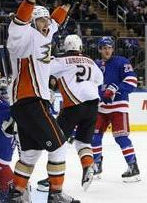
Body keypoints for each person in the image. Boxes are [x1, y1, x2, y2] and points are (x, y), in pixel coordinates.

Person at [7, 0, 81, 203]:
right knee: (59, 147)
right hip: (30, 100)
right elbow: (20, 18)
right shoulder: (21, 35)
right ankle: (55, 195)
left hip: (28, 103)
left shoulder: (46, 32)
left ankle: (16, 194)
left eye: (46, 19)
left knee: (30, 154)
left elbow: (57, 21)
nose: (46, 23)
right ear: (32, 22)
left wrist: (67, 5)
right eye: (40, 19)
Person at [37, 34, 103, 192]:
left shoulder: (60, 60)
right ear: (80, 47)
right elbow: (99, 80)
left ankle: (52, 179)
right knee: (83, 142)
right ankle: (88, 165)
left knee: (57, 142)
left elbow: (41, 69)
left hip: (73, 105)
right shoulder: (91, 61)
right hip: (93, 105)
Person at [91, 36, 141, 182]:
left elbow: (132, 81)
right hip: (101, 107)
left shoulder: (122, 62)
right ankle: (97, 166)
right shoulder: (96, 65)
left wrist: (115, 89)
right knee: (94, 137)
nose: (107, 50)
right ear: (99, 49)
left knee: (121, 137)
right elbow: (92, 84)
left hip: (119, 106)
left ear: (113, 48)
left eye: (109, 47)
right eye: (104, 47)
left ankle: (133, 167)